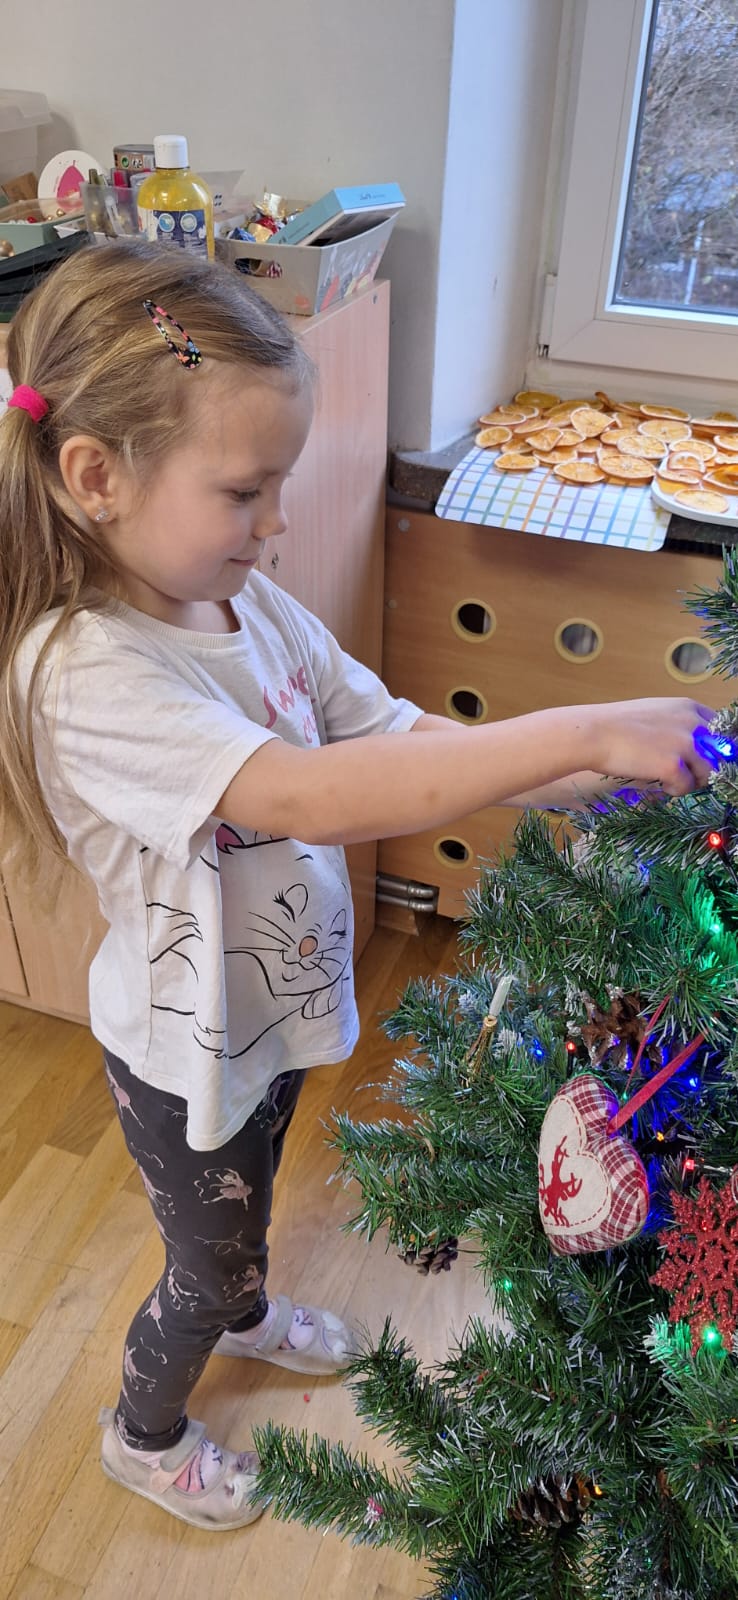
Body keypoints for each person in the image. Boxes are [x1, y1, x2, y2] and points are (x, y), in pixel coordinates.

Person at [0, 239, 715, 1533]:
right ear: (96, 477)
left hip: (266, 1017)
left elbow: (391, 735)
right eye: (244, 490)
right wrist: (584, 727)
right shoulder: (86, 671)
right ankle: (141, 1433)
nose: (274, 523)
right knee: (198, 1264)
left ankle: (248, 1309)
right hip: (180, 1052)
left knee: (249, 1210)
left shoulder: (248, 607)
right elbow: (305, 793)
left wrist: (583, 775)